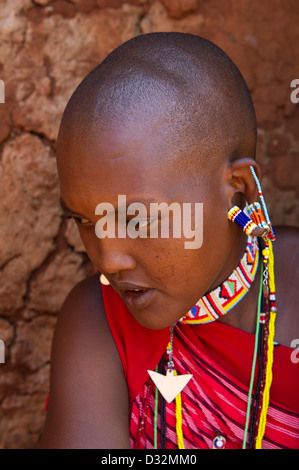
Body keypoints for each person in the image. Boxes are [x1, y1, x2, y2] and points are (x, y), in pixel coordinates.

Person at [38, 32, 299, 449]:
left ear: (238, 188)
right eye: (86, 220)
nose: (108, 258)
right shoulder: (98, 318)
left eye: (139, 218)